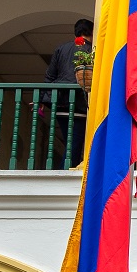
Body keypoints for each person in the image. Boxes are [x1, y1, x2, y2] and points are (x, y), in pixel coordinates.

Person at [40, 19, 93, 168]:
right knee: (74, 144)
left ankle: (68, 171)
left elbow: (50, 76)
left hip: (60, 103)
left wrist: (42, 100)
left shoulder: (61, 49)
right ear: (91, 32)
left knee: (71, 143)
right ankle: (66, 173)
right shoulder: (91, 51)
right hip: (80, 105)